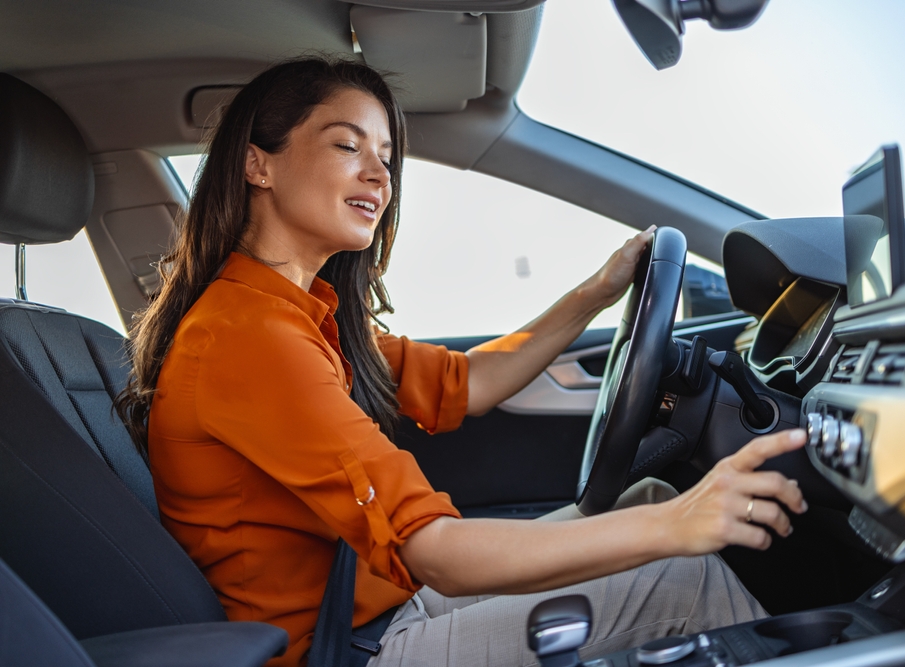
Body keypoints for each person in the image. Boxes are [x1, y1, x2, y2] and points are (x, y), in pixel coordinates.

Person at [116, 58, 808, 667]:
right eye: (346, 145)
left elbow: (469, 383)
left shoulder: (299, 317)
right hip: (344, 647)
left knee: (651, 501)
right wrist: (682, 524)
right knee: (680, 572)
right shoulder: (248, 338)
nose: (377, 175)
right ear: (257, 163)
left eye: (386, 157)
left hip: (377, 606)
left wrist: (597, 291)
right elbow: (437, 552)